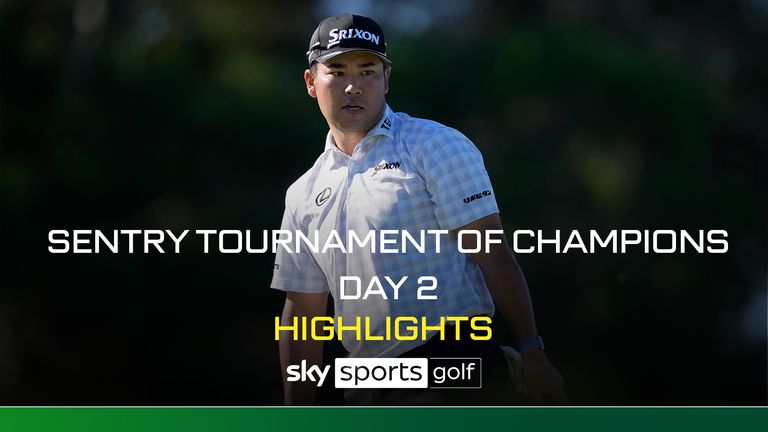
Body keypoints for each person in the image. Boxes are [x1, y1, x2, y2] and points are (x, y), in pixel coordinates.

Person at [271, 12, 566, 405]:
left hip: (455, 363)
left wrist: (532, 350)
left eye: (367, 71)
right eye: (337, 72)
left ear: (386, 78)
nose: (353, 86)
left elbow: (493, 252)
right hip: (366, 386)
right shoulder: (302, 193)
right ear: (311, 82)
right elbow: (303, 314)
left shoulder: (433, 144)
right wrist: (296, 415)